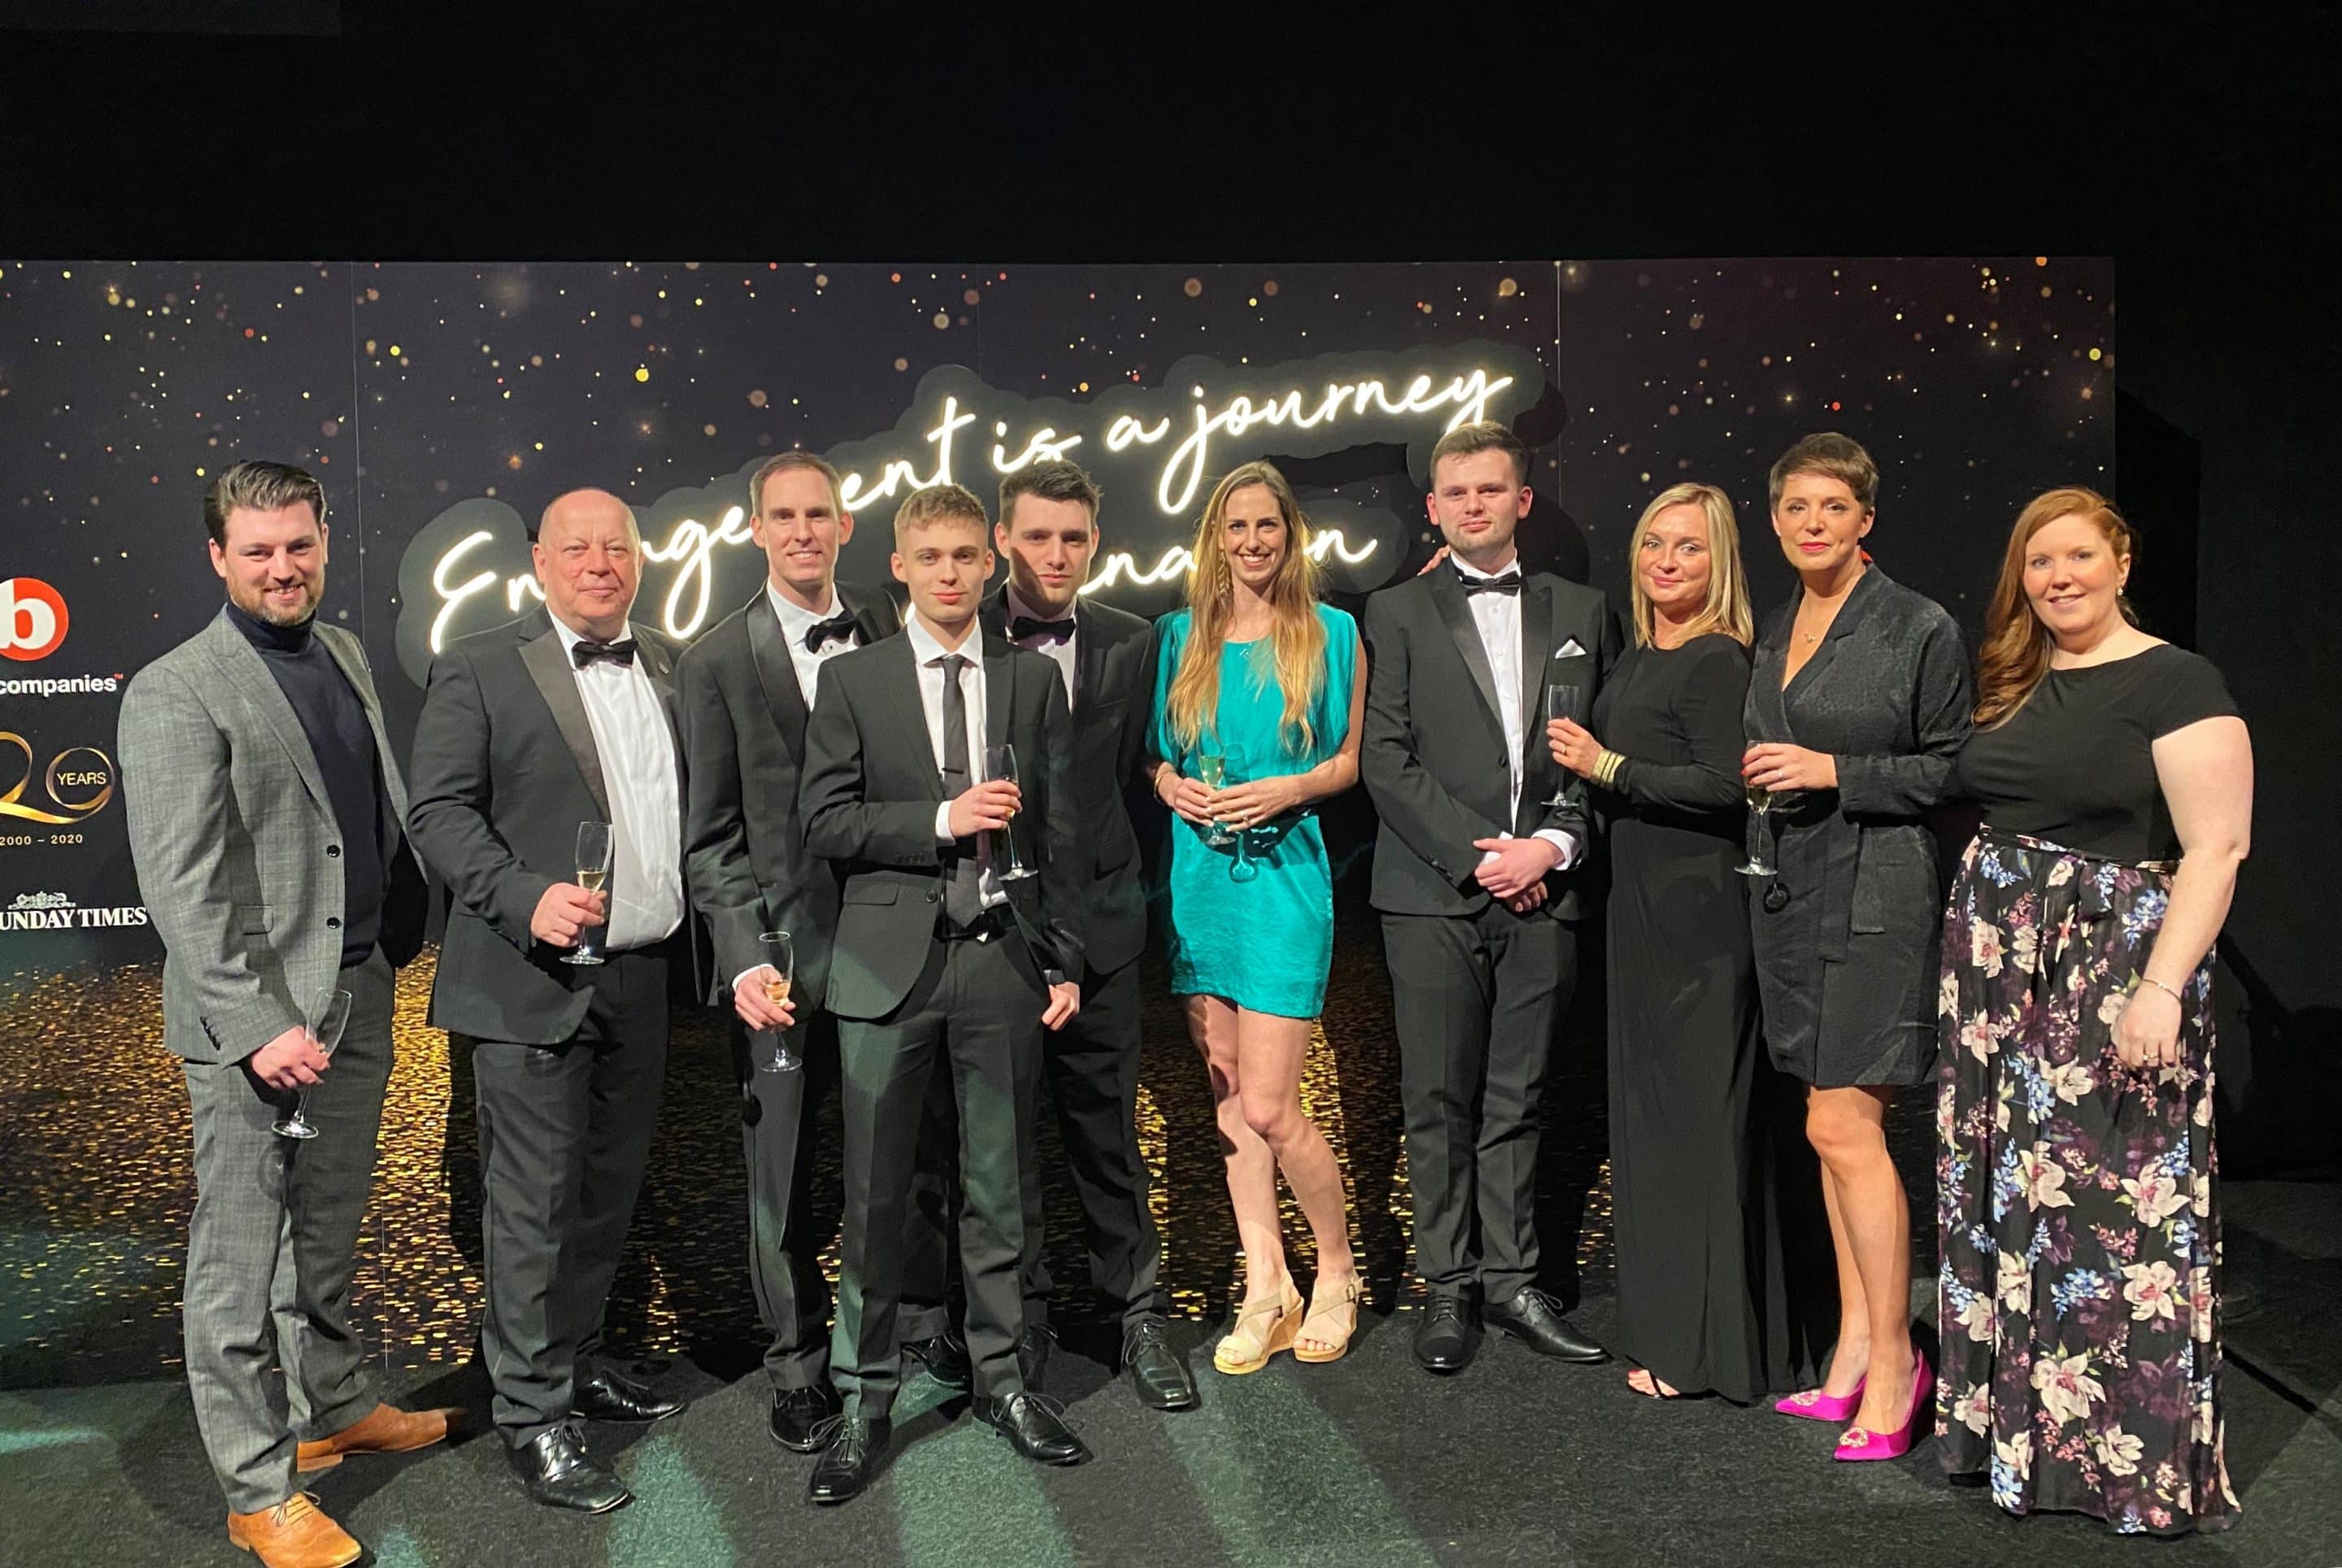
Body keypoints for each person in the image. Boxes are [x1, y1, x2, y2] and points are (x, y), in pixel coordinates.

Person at [118, 461, 455, 1568]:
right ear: (218, 556)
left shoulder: (341, 650)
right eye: (257, 550)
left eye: (298, 545)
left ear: (322, 542)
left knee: (327, 1229)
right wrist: (258, 1021)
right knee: (237, 1263)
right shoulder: (176, 688)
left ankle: (333, 1406)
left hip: (356, 989)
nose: (281, 568)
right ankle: (257, 1490)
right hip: (253, 1026)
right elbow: (182, 886)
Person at [1938, 488, 2250, 1533]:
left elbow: (2218, 846)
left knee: (2116, 1213)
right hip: (1999, 969)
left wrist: (2160, 986)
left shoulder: (2175, 679)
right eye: (2039, 562)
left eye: (2078, 555)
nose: (2058, 577)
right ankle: (2019, 1450)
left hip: (2110, 965)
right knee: (2010, 1198)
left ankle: (2125, 1468)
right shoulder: (2016, 675)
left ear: (2122, 559)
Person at [407, 488, 698, 1514]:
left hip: (643, 975)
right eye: (578, 547)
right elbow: (438, 811)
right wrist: (524, 896)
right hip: (528, 983)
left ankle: (574, 1363)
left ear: (640, 560)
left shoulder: (669, 662)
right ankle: (532, 1415)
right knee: (530, 1207)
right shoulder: (480, 663)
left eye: (617, 547)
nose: (599, 563)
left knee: (605, 1194)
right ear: (540, 561)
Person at [798, 481, 1089, 1505]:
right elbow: (824, 821)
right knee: (875, 1195)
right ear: (900, 566)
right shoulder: (853, 679)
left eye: (967, 555)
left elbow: (1060, 832)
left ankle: (1005, 1382)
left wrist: (1061, 957)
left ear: (990, 561)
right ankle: (864, 1399)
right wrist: (940, 816)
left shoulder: (1029, 679)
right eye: (932, 557)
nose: (951, 573)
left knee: (1001, 1189)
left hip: (1001, 962)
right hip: (887, 966)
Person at [1547, 482, 1826, 1400]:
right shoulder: (1640, 653)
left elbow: (1731, 785)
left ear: (1721, 562)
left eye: (1690, 547)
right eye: (1655, 544)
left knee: (1702, 1129)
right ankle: (1680, 1333)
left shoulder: (1713, 658)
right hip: (1645, 916)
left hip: (1702, 924)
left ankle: (1711, 1352)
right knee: (1662, 1128)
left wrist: (1609, 766)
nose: (1667, 561)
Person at [1361, 421, 1613, 1377]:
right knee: (1436, 1098)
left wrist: (1549, 847)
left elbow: (1597, 750)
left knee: (1521, 1096)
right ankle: (1449, 1285)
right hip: (1432, 893)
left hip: (1547, 888)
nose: (1474, 504)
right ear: (1433, 506)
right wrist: (1486, 860)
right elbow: (1386, 757)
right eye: (1457, 491)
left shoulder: (1583, 608)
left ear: (1522, 499)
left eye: (1491, 488)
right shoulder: (1393, 611)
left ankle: (1514, 1280)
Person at [1743, 433, 1971, 1459]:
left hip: (1879, 895)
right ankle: (1849, 1350)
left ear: (1865, 518)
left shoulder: (1918, 625)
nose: (1813, 523)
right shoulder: (1779, 622)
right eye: (1796, 507)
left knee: (1845, 1125)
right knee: (1824, 1126)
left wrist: (1837, 771)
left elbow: (1955, 768)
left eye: (1833, 506)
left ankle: (1897, 1362)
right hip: (1793, 898)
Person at [676, 453, 900, 1453]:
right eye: (784, 515)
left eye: (819, 513)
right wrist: (742, 956)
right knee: (784, 1171)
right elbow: (710, 837)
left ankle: (901, 1335)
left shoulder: (894, 623)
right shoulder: (716, 659)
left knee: (902, 1154)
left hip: (896, 941)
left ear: (846, 524)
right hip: (781, 963)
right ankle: (797, 1365)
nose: (803, 531)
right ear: (755, 528)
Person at [977, 459, 1197, 1411]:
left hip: (1102, 925)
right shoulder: (956, 628)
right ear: (1002, 539)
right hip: (990, 931)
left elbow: (1142, 761)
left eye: (1073, 536)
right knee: (1000, 1148)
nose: (1055, 553)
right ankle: (1018, 1323)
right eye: (1036, 535)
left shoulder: (1131, 639)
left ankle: (1138, 1315)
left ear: (1097, 540)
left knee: (1109, 1136)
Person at [1147, 460, 1365, 1374]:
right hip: (1200, 885)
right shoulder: (1178, 636)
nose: (1251, 541)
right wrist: (1170, 785)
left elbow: (1348, 759)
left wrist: (1291, 787)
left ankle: (1339, 1271)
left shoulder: (1331, 633)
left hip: (1284, 884)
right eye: (1235, 526)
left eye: (1266, 524)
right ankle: (1266, 1284)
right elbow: (1155, 756)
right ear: (1214, 537)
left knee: (1274, 1105)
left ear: (1290, 533)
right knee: (1230, 1093)